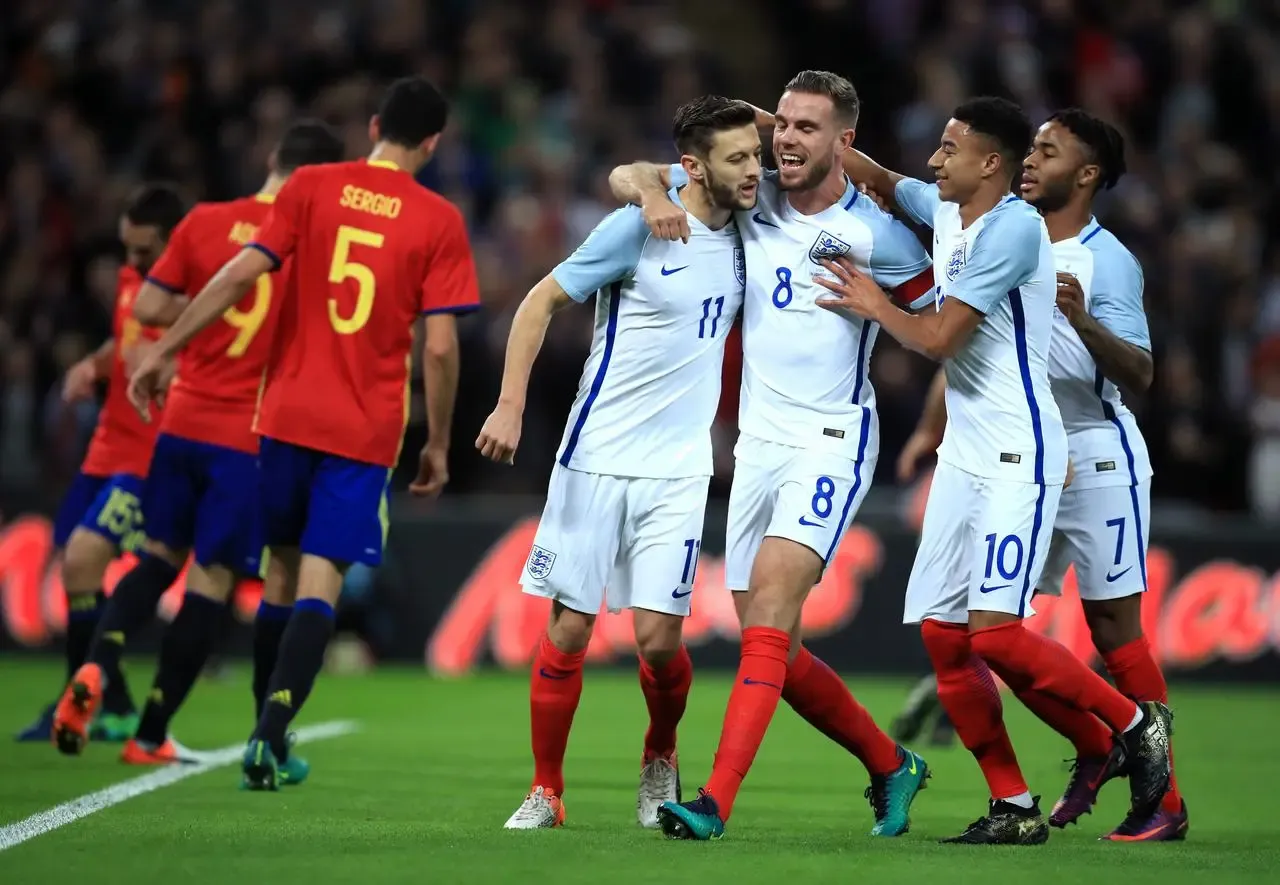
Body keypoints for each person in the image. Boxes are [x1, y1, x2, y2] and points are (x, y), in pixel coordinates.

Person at [826, 96, 1172, 844]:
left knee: (1011, 634)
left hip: (1039, 449)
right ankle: (1014, 803)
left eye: (948, 148)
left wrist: (873, 301)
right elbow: (883, 176)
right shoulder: (954, 208)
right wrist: (791, 125)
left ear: (992, 162)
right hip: (969, 454)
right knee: (948, 639)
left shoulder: (1028, 234)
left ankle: (1134, 726)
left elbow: (944, 337)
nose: (932, 160)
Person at [608, 71, 935, 841]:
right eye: (780, 125)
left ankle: (713, 801)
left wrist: (882, 309)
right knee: (776, 646)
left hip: (830, 440)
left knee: (772, 617)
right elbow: (641, 170)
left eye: (808, 128)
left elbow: (951, 326)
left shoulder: (878, 236)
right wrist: (654, 195)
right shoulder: (748, 201)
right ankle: (892, 763)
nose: (785, 139)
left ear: (845, 145)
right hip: (756, 444)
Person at [128, 76, 479, 790]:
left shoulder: (311, 185)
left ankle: (265, 733)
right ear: (433, 143)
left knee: (279, 573)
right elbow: (440, 348)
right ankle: (269, 732)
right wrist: (438, 441)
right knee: (321, 581)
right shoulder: (438, 220)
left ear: (376, 125)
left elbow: (235, 277)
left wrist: (164, 350)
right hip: (363, 428)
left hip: (283, 418)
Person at [476, 96, 757, 830]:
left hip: (680, 469)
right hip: (597, 456)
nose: (755, 170)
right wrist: (510, 404)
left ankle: (660, 754)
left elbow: (632, 170)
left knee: (661, 642)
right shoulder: (636, 227)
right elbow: (538, 302)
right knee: (569, 628)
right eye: (739, 158)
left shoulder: (753, 232)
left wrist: (647, 180)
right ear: (695, 167)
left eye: (756, 155)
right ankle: (546, 788)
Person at [49, 121, 345, 767]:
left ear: (271, 159)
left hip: (178, 424)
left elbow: (149, 306)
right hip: (245, 438)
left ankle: (97, 663)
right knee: (209, 583)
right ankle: (150, 732)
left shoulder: (206, 220)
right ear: (318, 180)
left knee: (156, 556)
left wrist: (178, 344)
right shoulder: (310, 243)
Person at [18, 185, 185, 749]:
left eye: (143, 251)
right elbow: (124, 343)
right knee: (72, 566)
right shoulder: (131, 284)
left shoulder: (193, 299)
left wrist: (162, 367)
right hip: (104, 451)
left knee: (85, 563)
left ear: (172, 243)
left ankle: (80, 700)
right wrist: (92, 365)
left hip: (143, 460)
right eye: (127, 249)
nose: (132, 261)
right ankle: (111, 702)